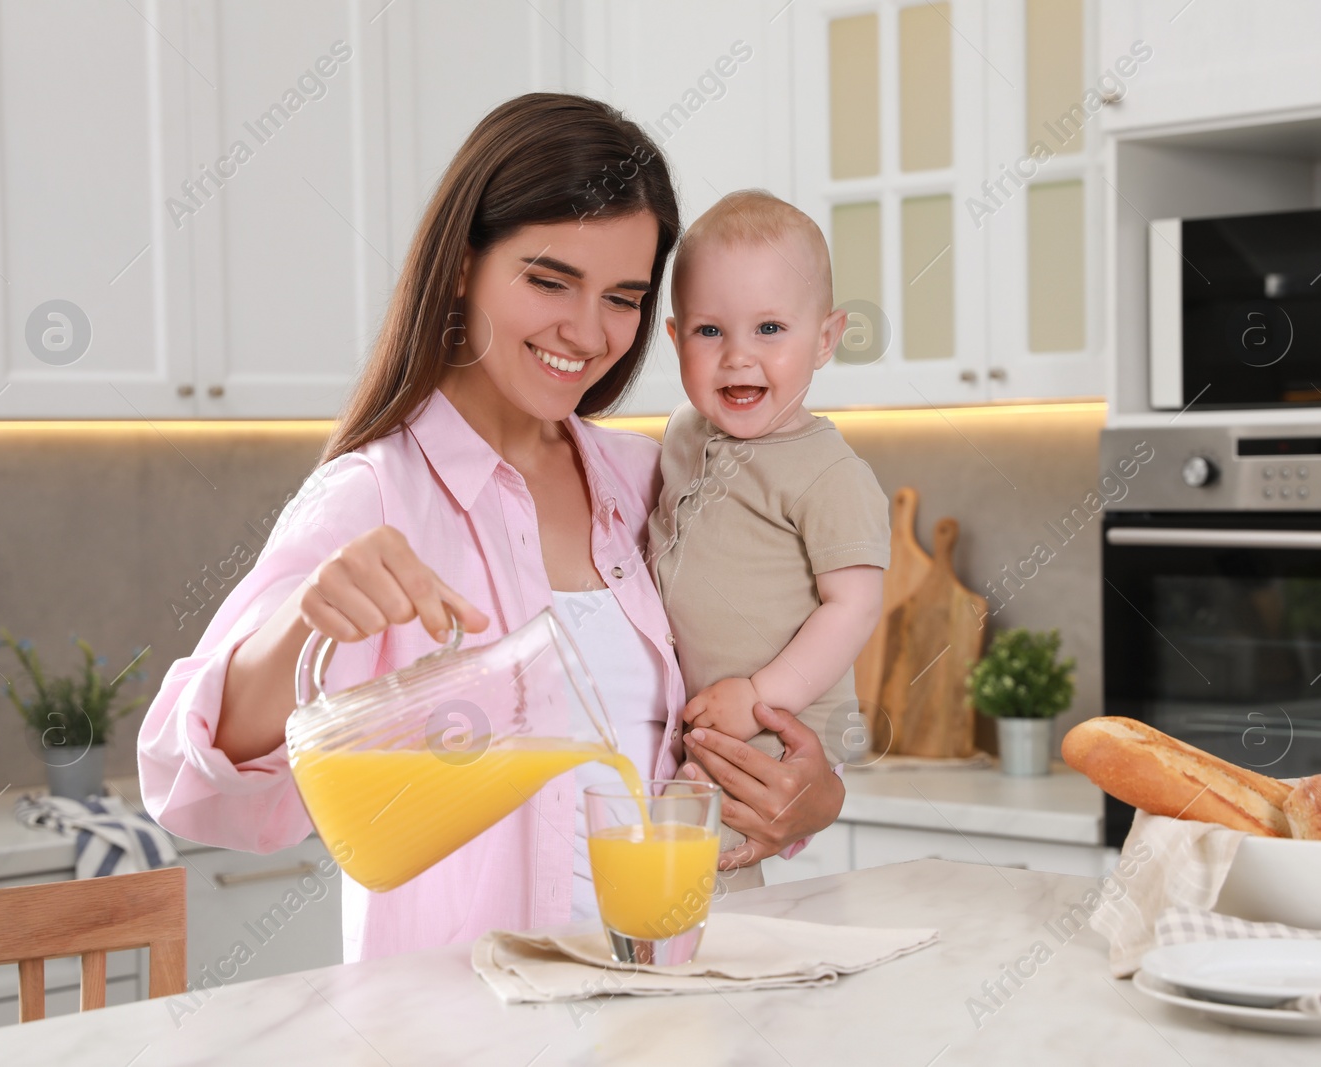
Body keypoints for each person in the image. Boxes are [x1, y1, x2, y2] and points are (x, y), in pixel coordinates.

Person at [137, 94, 845, 962]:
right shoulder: (376, 495)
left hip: (668, 1003)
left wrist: (809, 798)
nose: (585, 333)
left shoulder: (653, 481)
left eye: (622, 297)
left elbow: (745, 704)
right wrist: (303, 622)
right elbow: (185, 785)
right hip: (466, 1026)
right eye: (549, 280)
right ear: (464, 262)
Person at [648, 190, 890, 889]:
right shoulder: (681, 435)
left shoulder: (828, 472)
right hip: (700, 721)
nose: (738, 357)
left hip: (777, 723)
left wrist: (760, 690)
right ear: (675, 339)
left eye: (770, 328)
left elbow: (852, 606)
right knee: (673, 851)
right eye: (710, 332)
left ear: (824, 338)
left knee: (700, 866)